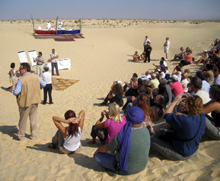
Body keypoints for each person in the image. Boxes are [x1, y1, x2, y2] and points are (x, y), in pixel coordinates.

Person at [94, 107, 151, 175]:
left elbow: (106, 148)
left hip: (124, 169)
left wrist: (97, 150)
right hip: (142, 166)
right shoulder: (146, 130)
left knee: (97, 156)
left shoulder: (121, 135)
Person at [151, 94, 206, 160]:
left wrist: (175, 102)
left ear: (188, 106)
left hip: (181, 153)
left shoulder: (185, 120)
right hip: (192, 147)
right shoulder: (201, 116)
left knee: (152, 139)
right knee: (162, 132)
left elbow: (166, 115)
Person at [13, 63, 46, 140]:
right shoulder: (36, 76)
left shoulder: (21, 79)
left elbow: (16, 92)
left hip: (25, 102)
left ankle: (21, 136)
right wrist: (38, 87)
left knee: (23, 120)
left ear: (25, 69)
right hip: (35, 100)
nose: (19, 70)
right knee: (33, 119)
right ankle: (33, 135)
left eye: (20, 68)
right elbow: (44, 84)